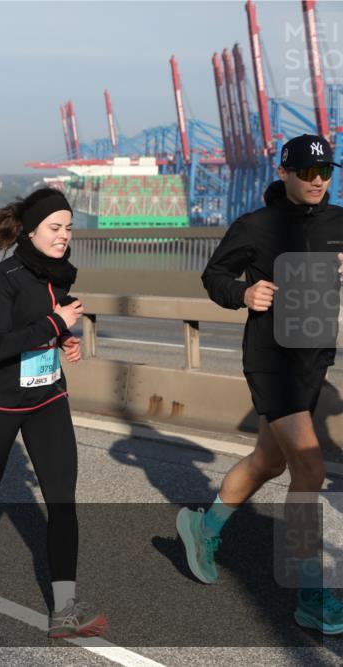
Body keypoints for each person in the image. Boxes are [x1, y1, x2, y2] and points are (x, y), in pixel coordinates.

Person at [179, 133, 343, 634]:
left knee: (270, 460)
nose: (318, 181)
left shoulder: (340, 223)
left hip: (313, 357)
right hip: (271, 359)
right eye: (307, 173)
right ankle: (311, 594)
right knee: (310, 469)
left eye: (326, 172)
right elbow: (214, 277)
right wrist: (244, 292)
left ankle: (202, 528)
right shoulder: (256, 225)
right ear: (284, 172)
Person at [0, 188, 107, 639]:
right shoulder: (2, 278)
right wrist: (55, 324)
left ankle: (64, 608)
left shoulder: (60, 275)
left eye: (68, 228)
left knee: (63, 498)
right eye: (55, 228)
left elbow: (43, 331)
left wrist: (63, 340)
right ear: (30, 231)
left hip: (47, 398)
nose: (64, 236)